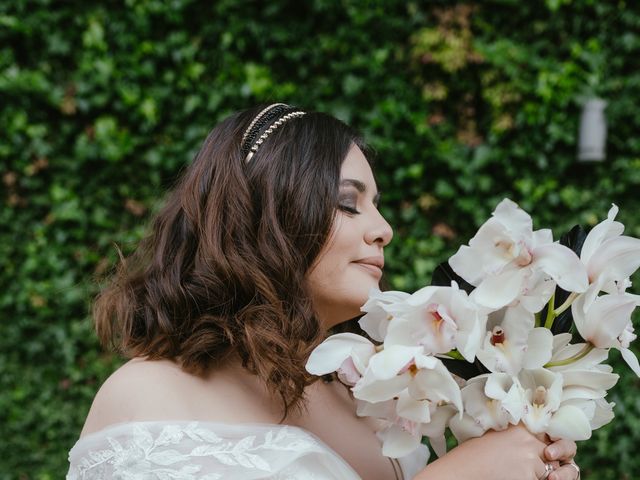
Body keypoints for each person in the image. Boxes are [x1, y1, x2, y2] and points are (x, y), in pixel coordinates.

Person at [67, 104, 581, 480]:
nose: (384, 230)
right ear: (263, 218)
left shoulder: (374, 398)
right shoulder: (148, 395)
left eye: (377, 206)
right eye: (347, 203)